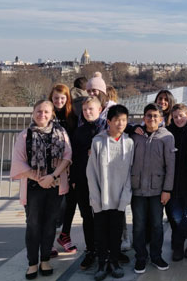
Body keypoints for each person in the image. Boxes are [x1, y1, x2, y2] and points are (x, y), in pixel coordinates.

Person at [10, 100, 72, 280]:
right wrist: (40, 178)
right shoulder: (24, 136)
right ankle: (32, 263)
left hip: (54, 185)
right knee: (33, 225)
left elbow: (67, 157)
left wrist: (52, 177)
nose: (42, 115)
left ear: (52, 114)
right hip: (33, 187)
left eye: (46, 112)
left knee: (50, 225)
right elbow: (18, 161)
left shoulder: (61, 134)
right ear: (32, 113)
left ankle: (45, 259)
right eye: (38, 111)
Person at [87, 104, 134, 280]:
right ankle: (101, 263)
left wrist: (125, 197)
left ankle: (114, 262)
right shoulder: (98, 141)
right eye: (117, 120)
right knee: (100, 233)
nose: (120, 124)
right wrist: (96, 198)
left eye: (124, 120)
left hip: (119, 198)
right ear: (109, 122)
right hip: (101, 197)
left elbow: (130, 172)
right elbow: (91, 172)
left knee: (116, 233)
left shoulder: (129, 143)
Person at [130, 103, 175, 274]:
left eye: (156, 116)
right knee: (138, 225)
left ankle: (156, 255)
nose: (152, 119)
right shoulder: (135, 136)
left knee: (157, 224)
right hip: (138, 188)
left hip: (158, 189)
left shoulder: (167, 137)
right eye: (149, 115)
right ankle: (141, 257)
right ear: (143, 118)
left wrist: (167, 189)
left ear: (161, 118)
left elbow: (170, 166)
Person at [69, 97, 107, 270]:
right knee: (87, 216)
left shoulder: (108, 127)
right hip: (83, 180)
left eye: (91, 109)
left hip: (104, 181)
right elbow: (75, 158)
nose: (88, 112)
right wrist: (75, 180)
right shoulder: (79, 131)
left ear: (100, 110)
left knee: (103, 216)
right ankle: (91, 249)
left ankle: (105, 249)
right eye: (85, 110)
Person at [166, 103, 187, 261]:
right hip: (171, 181)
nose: (178, 119)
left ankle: (179, 246)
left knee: (182, 214)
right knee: (175, 215)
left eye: (181, 116)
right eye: (175, 117)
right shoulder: (168, 132)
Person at [48, 84, 78, 256]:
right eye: (56, 98)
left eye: (62, 98)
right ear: (51, 98)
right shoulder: (47, 114)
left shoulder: (72, 116)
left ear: (67, 99)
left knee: (70, 202)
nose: (59, 101)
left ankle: (64, 234)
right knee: (52, 204)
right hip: (52, 166)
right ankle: (50, 238)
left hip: (69, 165)